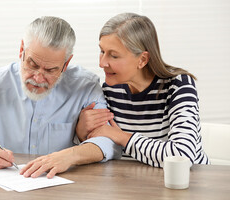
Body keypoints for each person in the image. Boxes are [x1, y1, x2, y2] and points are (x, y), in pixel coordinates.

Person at [0, 16, 122, 178]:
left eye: (50, 70)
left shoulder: (85, 86)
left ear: (66, 64)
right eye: (32, 64)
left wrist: (68, 156)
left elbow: (109, 142)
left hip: (60, 191)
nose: (38, 78)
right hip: (1, 190)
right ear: (22, 50)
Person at [76, 13, 209, 167]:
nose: (102, 63)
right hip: (135, 183)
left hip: (188, 183)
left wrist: (121, 137)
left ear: (142, 60)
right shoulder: (109, 90)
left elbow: (183, 156)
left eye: (114, 56)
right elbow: (103, 144)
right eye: (102, 51)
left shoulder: (178, 85)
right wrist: (81, 132)